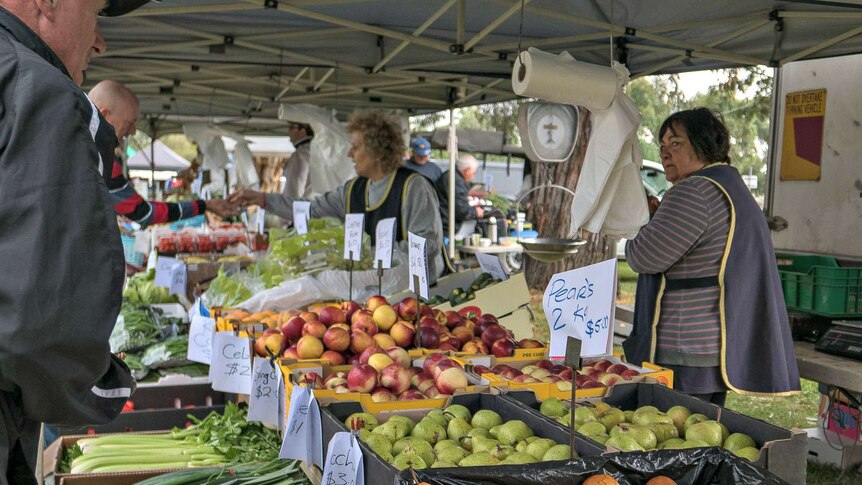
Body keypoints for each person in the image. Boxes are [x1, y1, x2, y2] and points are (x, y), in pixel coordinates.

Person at [0, 1, 148, 482]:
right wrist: (101, 387)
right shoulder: (41, 92)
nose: (100, 40)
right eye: (96, 9)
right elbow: (42, 325)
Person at [622, 108, 800, 405]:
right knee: (700, 436)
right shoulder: (730, 187)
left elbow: (642, 257)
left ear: (703, 144)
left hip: (684, 346)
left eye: (675, 143)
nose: (665, 153)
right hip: (712, 346)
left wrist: (638, 221)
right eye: (662, 146)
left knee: (675, 440)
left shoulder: (694, 192)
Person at [230, 110, 444, 277]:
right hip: (374, 295)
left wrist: (368, 257)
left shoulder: (413, 187)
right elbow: (309, 210)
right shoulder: (353, 190)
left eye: (356, 147)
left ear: (378, 151)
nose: (350, 154)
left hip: (416, 299)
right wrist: (262, 199)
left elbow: (426, 245)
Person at [87, 80, 238, 226]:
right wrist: (204, 205)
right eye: (130, 123)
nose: (133, 131)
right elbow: (144, 213)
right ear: (104, 115)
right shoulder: (103, 162)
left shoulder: (75, 148)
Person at [435, 154, 484, 233]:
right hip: (447, 227)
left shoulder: (453, 176)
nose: (474, 176)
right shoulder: (455, 180)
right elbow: (461, 209)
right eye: (474, 173)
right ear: (467, 170)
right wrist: (476, 212)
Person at [283, 121, 314, 198]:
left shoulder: (301, 154)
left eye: (291, 128)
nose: (289, 132)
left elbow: (294, 186)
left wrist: (290, 205)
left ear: (303, 131)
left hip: (304, 205)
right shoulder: (316, 151)